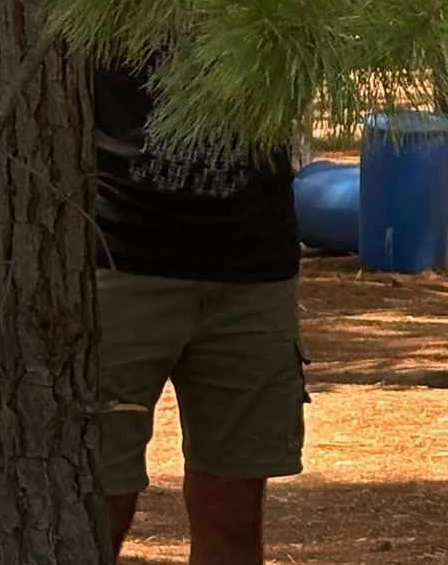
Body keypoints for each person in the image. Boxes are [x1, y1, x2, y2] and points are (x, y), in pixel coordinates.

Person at [91, 60, 306, 565]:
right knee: (94, 503)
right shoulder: (103, 3)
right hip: (117, 253)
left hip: (251, 264)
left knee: (233, 515)